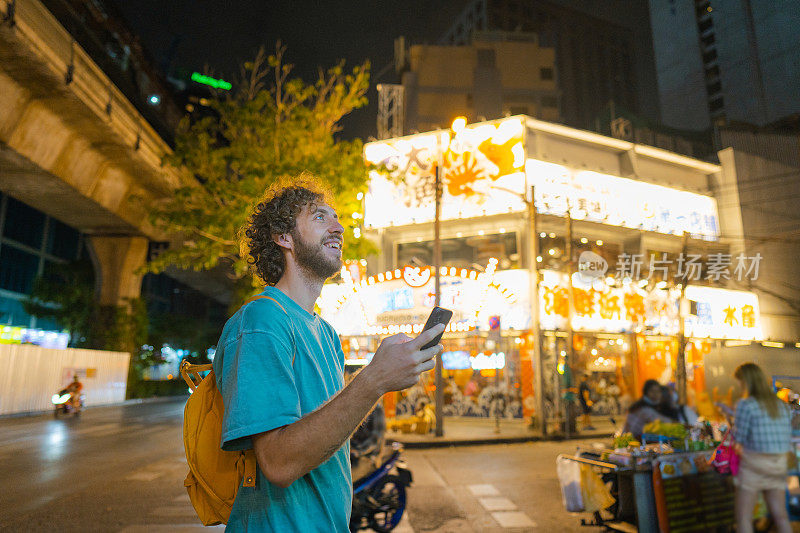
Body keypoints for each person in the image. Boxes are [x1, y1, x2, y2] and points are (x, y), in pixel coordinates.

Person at [212, 176, 445, 532]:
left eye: (337, 219)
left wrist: (381, 378)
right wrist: (374, 379)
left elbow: (325, 434)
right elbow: (277, 462)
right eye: (320, 217)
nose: (338, 228)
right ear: (283, 237)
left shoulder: (327, 335)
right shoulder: (262, 321)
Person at [732, 362, 792, 533]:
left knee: (744, 519)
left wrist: (732, 423)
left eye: (740, 382)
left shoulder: (746, 404)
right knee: (780, 516)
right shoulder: (780, 404)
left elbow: (740, 438)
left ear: (746, 382)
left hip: (754, 464)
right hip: (778, 463)